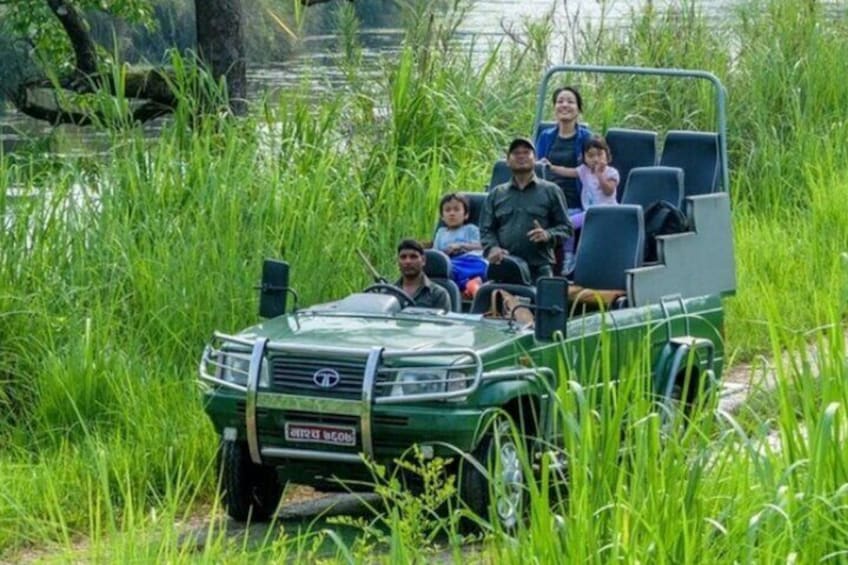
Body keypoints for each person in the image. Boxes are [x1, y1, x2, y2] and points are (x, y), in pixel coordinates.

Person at [479, 137, 572, 282]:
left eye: (526, 152)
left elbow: (566, 228)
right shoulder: (497, 194)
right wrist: (492, 248)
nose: (521, 156)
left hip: (539, 268)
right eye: (516, 153)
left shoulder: (552, 191)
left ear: (535, 159)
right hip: (505, 266)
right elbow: (486, 229)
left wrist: (548, 234)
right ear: (508, 161)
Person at [561, 135, 620, 274]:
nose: (595, 159)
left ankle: (572, 259)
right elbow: (566, 171)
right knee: (567, 223)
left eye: (599, 154)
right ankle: (568, 256)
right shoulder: (583, 170)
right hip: (589, 212)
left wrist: (600, 175)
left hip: (607, 212)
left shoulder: (611, 172)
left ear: (607, 155)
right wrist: (551, 167)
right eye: (591, 155)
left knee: (570, 223)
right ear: (584, 157)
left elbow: (608, 191)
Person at [534, 86, 593, 213]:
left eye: (570, 102)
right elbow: (537, 168)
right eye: (560, 101)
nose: (564, 105)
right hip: (546, 199)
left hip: (574, 203)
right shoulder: (545, 136)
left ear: (578, 109)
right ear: (555, 108)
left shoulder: (586, 138)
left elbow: (591, 171)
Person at [432, 193, 487, 297]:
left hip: (472, 261)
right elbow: (436, 254)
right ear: (442, 217)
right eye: (447, 210)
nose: (452, 213)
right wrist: (446, 253)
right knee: (445, 268)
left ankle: (470, 287)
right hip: (452, 263)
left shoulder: (470, 229)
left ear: (466, 215)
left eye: (456, 210)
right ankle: (470, 286)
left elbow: (483, 246)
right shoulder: (441, 232)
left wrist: (462, 246)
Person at [394, 239, 451, 310]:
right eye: (403, 257)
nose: (408, 261)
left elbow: (442, 320)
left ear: (423, 260)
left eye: (413, 257)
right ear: (398, 262)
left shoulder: (438, 294)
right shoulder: (389, 292)